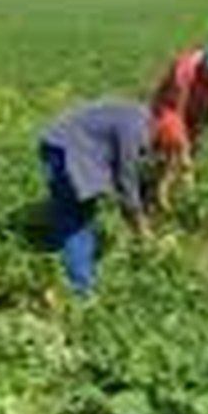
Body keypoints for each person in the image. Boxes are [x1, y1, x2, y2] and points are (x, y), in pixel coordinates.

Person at [38, 100, 155, 296]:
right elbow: (126, 177)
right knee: (76, 219)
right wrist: (139, 223)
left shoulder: (140, 116)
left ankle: (61, 265)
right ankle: (81, 291)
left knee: (75, 211)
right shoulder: (135, 129)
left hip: (62, 142)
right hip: (65, 149)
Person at [151, 39, 208, 211]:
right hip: (169, 108)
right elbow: (176, 113)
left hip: (197, 109)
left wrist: (200, 130)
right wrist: (183, 149)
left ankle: (176, 191)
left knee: (191, 149)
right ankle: (158, 193)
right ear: (204, 60)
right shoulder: (183, 71)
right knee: (173, 146)